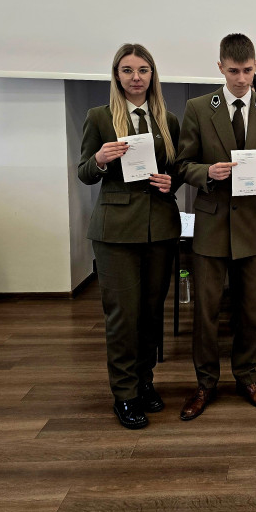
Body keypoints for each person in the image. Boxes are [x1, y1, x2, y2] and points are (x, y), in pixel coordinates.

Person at [176, 33, 256, 420]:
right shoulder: (197, 107)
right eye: (233, 71)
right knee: (206, 312)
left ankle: (247, 376)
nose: (241, 79)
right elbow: (182, 164)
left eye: (246, 70)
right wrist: (206, 171)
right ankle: (205, 383)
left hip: (254, 224)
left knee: (250, 310)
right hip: (211, 225)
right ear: (220, 67)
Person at [77, 43, 182, 429]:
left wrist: (171, 182)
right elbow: (84, 172)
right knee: (123, 316)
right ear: (116, 75)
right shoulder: (100, 117)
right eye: (127, 70)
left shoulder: (168, 119)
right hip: (116, 231)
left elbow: (178, 171)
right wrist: (100, 160)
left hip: (159, 227)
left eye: (142, 70)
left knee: (151, 315)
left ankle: (145, 382)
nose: (135, 77)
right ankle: (124, 394)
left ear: (152, 76)